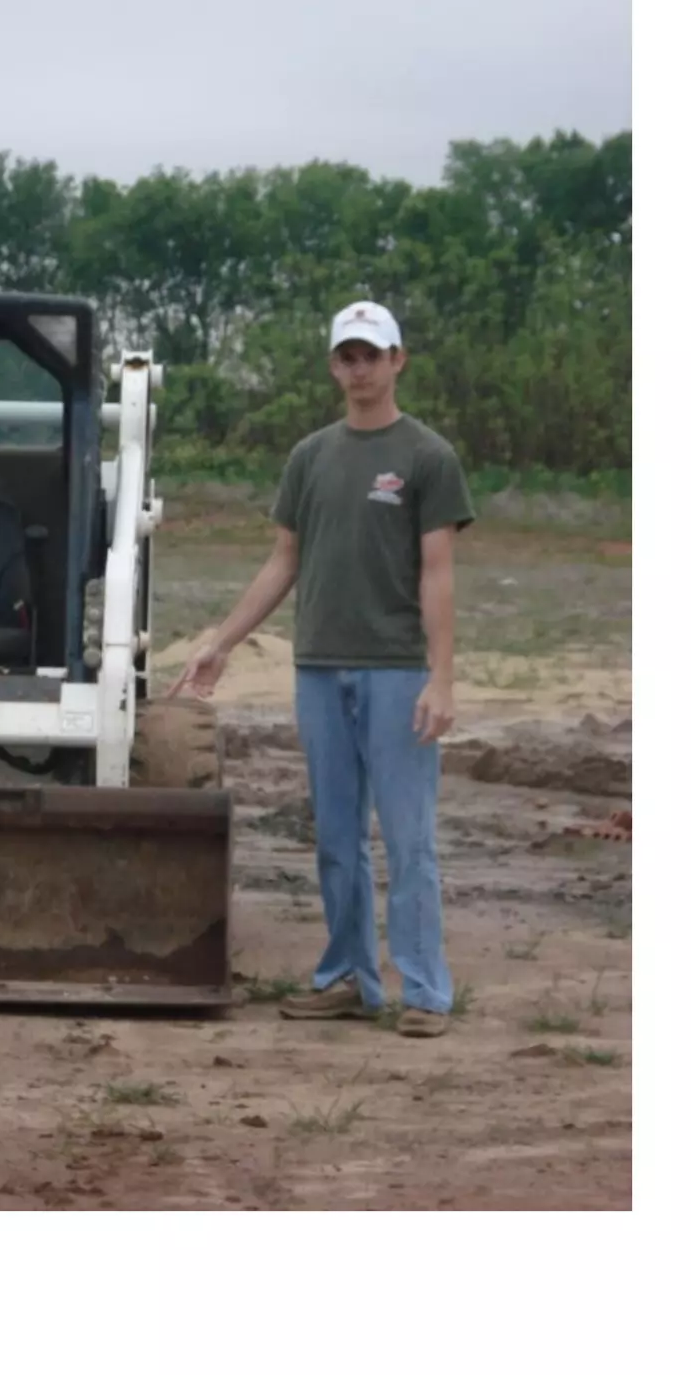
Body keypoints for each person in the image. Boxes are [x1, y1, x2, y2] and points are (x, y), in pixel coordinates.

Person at [168, 300, 475, 1037]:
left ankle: (426, 991)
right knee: (336, 836)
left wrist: (442, 677)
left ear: (398, 360)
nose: (359, 368)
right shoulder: (310, 456)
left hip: (398, 671)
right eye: (347, 356)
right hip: (320, 671)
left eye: (373, 354)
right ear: (334, 364)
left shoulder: (426, 457)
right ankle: (346, 977)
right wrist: (222, 641)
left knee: (407, 839)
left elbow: (438, 573)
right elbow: (284, 561)